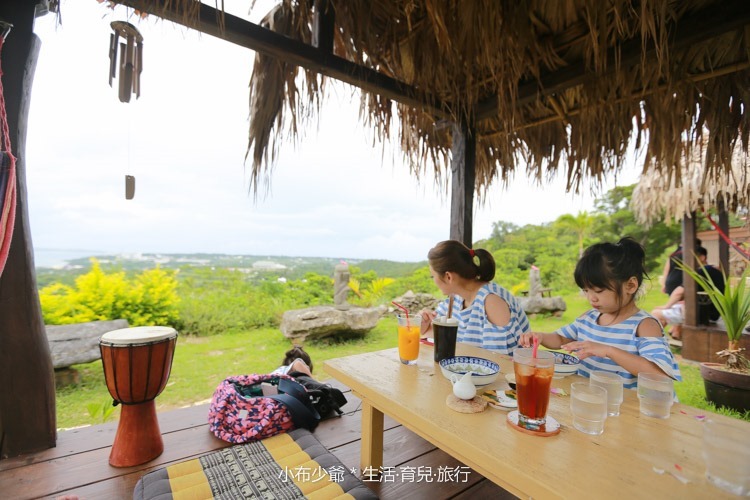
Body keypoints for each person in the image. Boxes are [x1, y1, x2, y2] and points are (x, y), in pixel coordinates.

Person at [519, 237, 680, 389]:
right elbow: (561, 339)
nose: (591, 298)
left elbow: (661, 376)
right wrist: (540, 336)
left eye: (598, 290)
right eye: (586, 290)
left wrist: (609, 351)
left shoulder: (644, 325)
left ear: (630, 285)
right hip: (590, 401)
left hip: (625, 410)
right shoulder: (589, 318)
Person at [419, 240, 530, 354]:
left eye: (433, 276)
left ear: (448, 276)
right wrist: (425, 325)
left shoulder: (491, 302)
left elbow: (504, 362)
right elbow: (437, 337)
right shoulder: (455, 299)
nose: (434, 281)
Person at [652, 246, 725, 340]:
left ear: (702, 257)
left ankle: (654, 344)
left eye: (692, 257)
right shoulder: (715, 270)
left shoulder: (700, 272)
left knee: (656, 313)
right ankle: (674, 336)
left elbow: (679, 292)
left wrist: (666, 306)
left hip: (702, 315)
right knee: (675, 308)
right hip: (715, 312)